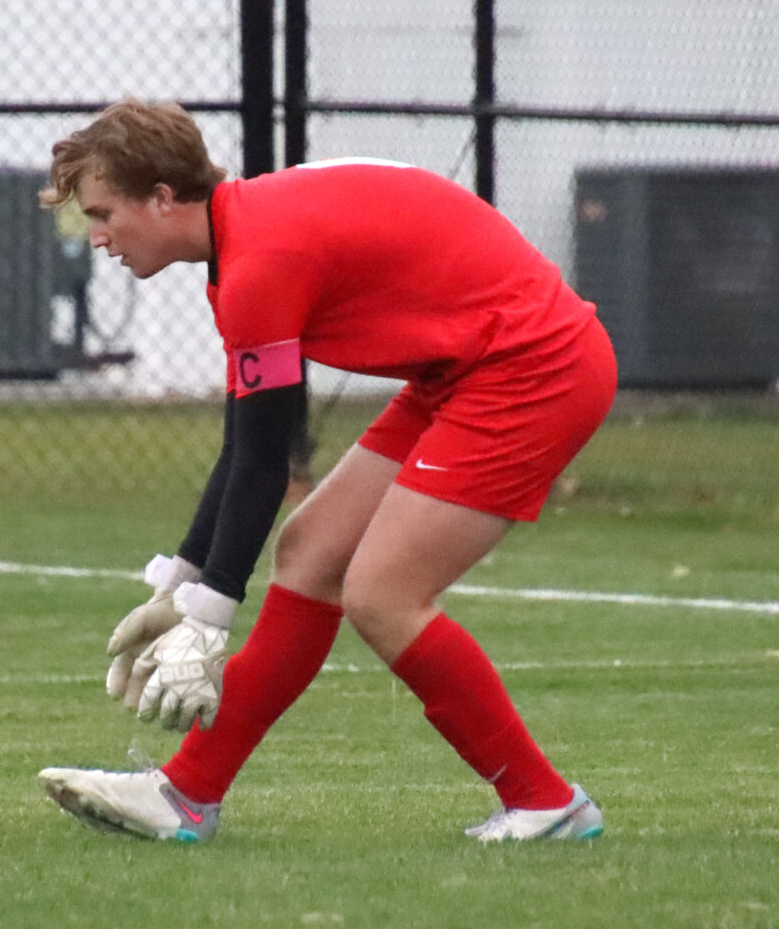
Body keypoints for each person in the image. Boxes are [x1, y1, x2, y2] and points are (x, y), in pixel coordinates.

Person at [35, 98, 616, 844]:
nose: (98, 236)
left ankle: (546, 799)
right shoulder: (241, 242)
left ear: (162, 197)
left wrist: (210, 618)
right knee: (309, 554)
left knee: (382, 592)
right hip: (465, 367)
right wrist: (185, 582)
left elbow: (264, 456)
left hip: (534, 366)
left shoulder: (257, 261)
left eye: (103, 212)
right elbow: (245, 445)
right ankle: (186, 794)